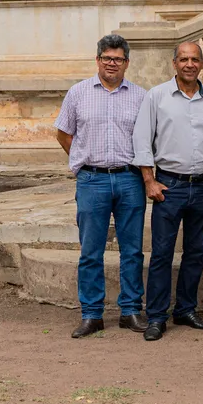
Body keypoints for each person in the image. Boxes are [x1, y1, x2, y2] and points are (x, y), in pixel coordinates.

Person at [55, 34, 148, 339]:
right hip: (92, 180)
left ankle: (131, 310)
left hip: (129, 179)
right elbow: (64, 133)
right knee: (91, 251)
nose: (112, 64)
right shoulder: (78, 93)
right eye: (106, 58)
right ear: (97, 60)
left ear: (126, 63)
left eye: (118, 59)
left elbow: (147, 139)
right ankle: (92, 314)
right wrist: (82, 159)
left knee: (132, 250)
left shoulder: (140, 96)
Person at [133, 41, 203, 341]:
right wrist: (149, 180)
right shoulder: (157, 96)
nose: (189, 64)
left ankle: (185, 309)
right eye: (183, 59)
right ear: (174, 63)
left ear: (201, 64)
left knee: (196, 252)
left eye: (194, 59)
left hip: (202, 186)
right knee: (161, 254)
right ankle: (157, 317)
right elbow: (142, 140)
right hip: (168, 186)